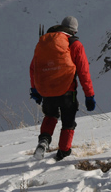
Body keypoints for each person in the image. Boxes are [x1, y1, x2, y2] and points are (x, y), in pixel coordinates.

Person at [29, 16, 95, 161]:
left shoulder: (46, 43)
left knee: (50, 115)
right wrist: (89, 95)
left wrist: (35, 89)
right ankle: (63, 152)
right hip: (67, 90)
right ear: (74, 30)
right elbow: (83, 72)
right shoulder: (75, 45)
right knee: (68, 121)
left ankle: (44, 141)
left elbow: (34, 67)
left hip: (47, 89)